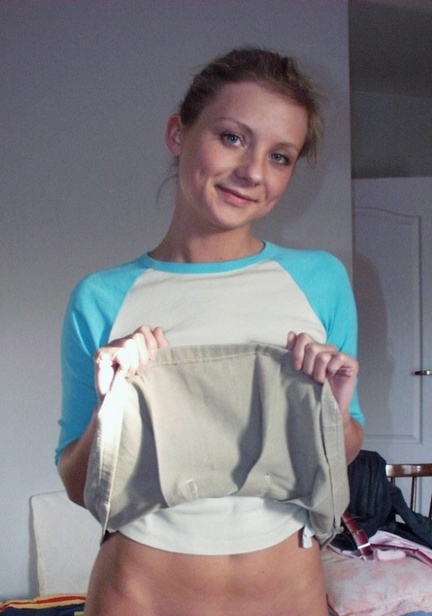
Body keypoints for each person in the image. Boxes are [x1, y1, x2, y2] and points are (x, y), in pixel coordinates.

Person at [56, 47, 364, 616]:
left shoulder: (321, 282)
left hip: (288, 599)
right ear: (179, 133)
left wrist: (336, 413)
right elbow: (79, 488)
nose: (253, 172)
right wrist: (108, 405)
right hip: (139, 597)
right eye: (232, 138)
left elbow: (339, 457)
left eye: (280, 156)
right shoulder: (101, 297)